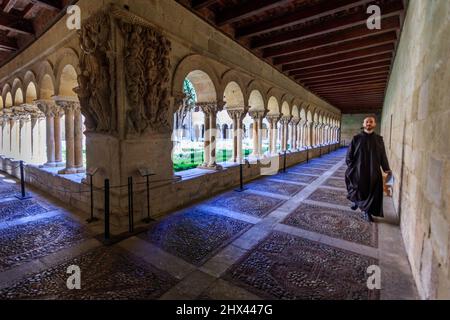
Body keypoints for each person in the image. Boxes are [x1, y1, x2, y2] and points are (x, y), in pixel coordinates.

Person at [345, 116, 392, 222]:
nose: (369, 124)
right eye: (367, 122)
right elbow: (349, 155)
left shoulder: (379, 140)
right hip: (359, 171)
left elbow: (383, 155)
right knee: (359, 189)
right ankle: (357, 201)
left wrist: (386, 168)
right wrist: (352, 167)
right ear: (363, 124)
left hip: (373, 171)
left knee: (372, 192)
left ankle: (367, 212)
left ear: (374, 124)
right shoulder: (356, 138)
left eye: (371, 122)